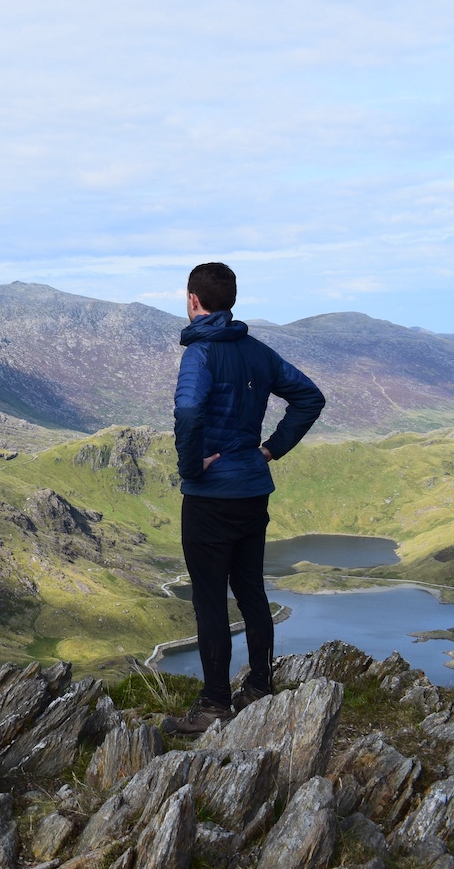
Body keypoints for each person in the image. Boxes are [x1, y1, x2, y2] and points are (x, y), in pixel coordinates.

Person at [161, 262, 325, 736]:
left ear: (193, 300)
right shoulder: (258, 352)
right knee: (250, 589)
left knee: (211, 600)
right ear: (229, 299)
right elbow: (309, 397)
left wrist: (191, 468)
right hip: (253, 491)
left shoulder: (201, 355)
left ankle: (214, 703)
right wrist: (270, 449)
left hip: (211, 499)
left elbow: (189, 410)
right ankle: (259, 685)